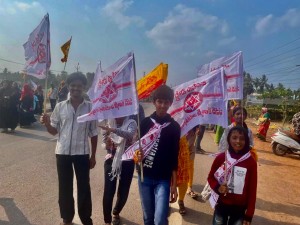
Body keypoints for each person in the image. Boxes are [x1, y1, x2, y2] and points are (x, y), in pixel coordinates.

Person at [40, 72, 98, 225]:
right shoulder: (60, 107)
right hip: (63, 153)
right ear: (68, 87)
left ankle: (86, 218)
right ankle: (67, 218)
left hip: (82, 153)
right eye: (73, 86)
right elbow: (54, 131)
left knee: (84, 187)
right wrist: (46, 124)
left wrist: (93, 156)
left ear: (84, 87)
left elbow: (94, 133)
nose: (76, 89)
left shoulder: (90, 108)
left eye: (79, 86)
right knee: (64, 188)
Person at [137, 85, 181, 225]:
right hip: (145, 177)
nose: (162, 105)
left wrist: (174, 185)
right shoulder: (144, 123)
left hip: (163, 179)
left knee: (160, 220)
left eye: (166, 102)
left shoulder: (174, 127)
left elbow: (174, 157)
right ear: (154, 102)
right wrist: (137, 157)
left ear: (170, 103)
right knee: (148, 219)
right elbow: (137, 150)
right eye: (159, 101)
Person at [208, 126, 257, 225]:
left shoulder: (250, 162)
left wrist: (249, 214)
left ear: (246, 141)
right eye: (234, 137)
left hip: (240, 208)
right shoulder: (221, 157)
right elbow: (210, 177)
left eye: (242, 138)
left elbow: (252, 189)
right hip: (221, 204)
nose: (238, 141)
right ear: (228, 139)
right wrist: (218, 187)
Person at [99, 116, 137, 225]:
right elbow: (103, 144)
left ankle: (116, 212)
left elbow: (129, 134)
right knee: (109, 191)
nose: (118, 116)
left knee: (123, 192)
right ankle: (107, 221)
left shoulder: (131, 123)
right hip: (111, 160)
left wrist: (113, 130)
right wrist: (106, 144)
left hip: (127, 161)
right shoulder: (108, 123)